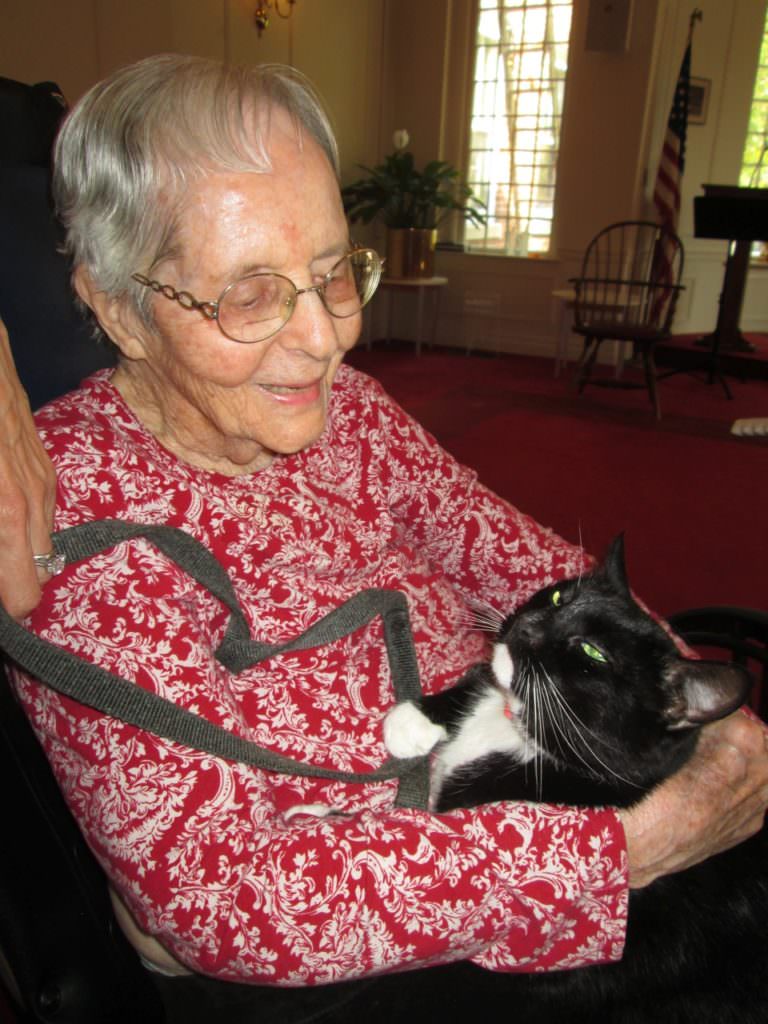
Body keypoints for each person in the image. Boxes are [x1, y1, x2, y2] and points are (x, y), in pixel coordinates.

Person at [1, 54, 766, 1024]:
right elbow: (221, 898)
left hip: (531, 767)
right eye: (251, 294)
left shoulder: (347, 409)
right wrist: (631, 846)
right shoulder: (74, 516)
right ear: (119, 308)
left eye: (333, 274)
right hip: (371, 945)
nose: (325, 340)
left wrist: (678, 700)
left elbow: (510, 549)